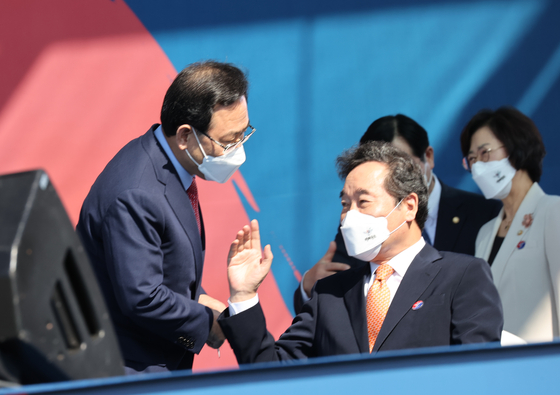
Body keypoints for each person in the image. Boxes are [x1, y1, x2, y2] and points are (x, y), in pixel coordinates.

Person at [219, 142, 503, 364]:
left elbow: (477, 372)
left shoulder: (462, 276)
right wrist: (243, 296)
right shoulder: (329, 294)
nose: (349, 216)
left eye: (363, 201)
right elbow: (273, 371)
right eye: (345, 204)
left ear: (409, 206)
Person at [76, 61, 256, 373]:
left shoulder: (170, 164)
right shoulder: (138, 192)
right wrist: (205, 324)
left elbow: (159, 265)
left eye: (244, 134)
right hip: (130, 368)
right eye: (228, 141)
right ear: (186, 135)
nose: (237, 150)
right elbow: (142, 297)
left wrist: (199, 299)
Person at [294, 115, 502, 313]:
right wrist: (308, 286)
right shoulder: (359, 223)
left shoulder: (483, 213)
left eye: (402, 166)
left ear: (428, 157)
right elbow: (329, 304)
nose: (393, 179)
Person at [460, 106, 560, 344]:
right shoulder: (485, 233)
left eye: (485, 153)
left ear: (516, 146)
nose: (478, 167)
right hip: (498, 366)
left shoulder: (552, 211)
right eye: (471, 159)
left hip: (543, 365)